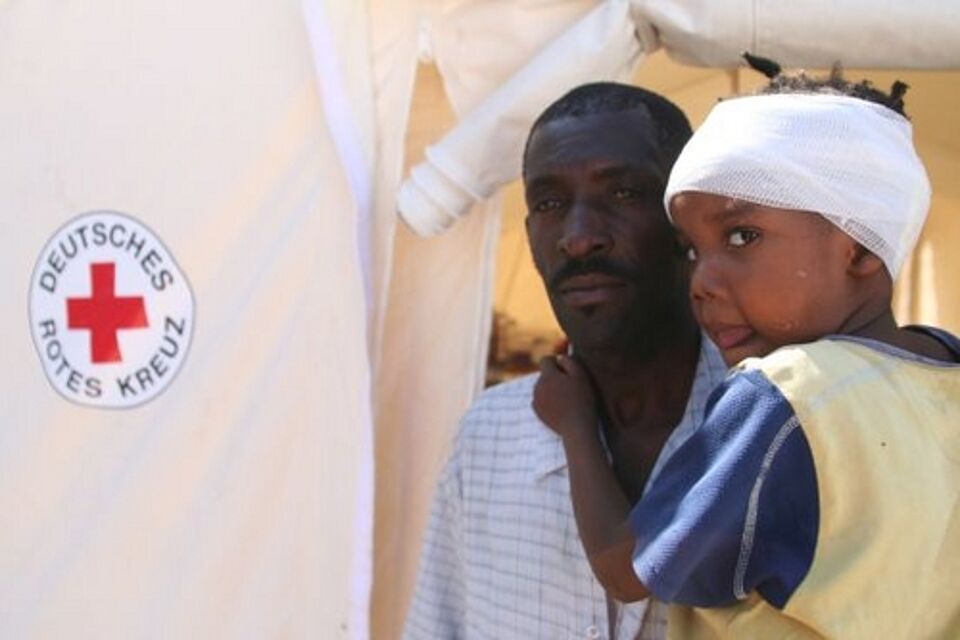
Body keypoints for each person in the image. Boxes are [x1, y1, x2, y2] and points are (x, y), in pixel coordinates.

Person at [533, 66, 960, 639]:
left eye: (741, 236)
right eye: (690, 250)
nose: (701, 282)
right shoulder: (944, 368)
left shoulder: (784, 398)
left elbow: (623, 569)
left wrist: (575, 423)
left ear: (858, 249)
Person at [402, 83, 728, 639]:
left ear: (688, 222)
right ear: (531, 236)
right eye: (549, 204)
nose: (578, 239)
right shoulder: (489, 437)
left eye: (623, 192)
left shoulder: (774, 426)